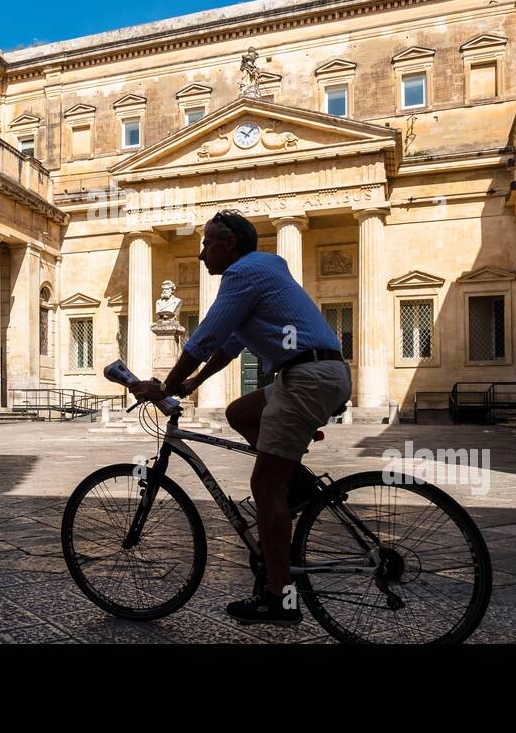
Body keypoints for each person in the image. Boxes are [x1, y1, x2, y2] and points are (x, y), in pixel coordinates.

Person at [128, 210, 350, 627]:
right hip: (315, 373)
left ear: (230, 244)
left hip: (307, 377)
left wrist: (165, 386)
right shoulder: (261, 274)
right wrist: (192, 383)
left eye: (207, 243)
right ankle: (297, 486)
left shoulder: (243, 273)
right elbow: (227, 346)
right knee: (238, 412)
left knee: (265, 484)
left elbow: (204, 336)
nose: (200, 254)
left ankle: (278, 598)